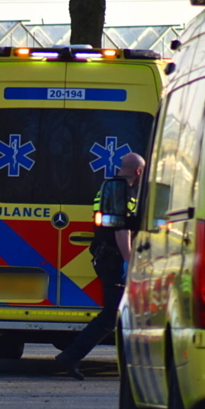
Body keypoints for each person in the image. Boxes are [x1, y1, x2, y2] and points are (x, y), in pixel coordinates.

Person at [53, 152, 145, 380]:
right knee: (112, 314)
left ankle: (71, 356)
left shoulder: (111, 187)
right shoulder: (120, 190)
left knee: (119, 313)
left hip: (107, 257)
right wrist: (129, 260)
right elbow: (121, 228)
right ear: (139, 171)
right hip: (113, 260)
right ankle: (70, 356)